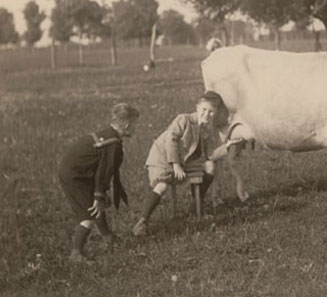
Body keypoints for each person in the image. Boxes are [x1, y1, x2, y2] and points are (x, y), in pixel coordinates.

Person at [132, 91, 240, 236]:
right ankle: (142, 222)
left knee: (210, 166)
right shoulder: (183, 119)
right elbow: (172, 140)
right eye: (204, 110)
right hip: (162, 158)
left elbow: (210, 155)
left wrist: (228, 146)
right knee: (162, 186)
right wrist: (175, 164)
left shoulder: (206, 130)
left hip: (183, 161)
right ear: (197, 108)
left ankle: (197, 202)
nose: (206, 114)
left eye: (211, 112)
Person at [58, 103, 140, 263]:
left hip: (78, 171)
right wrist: (98, 196)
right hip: (75, 176)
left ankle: (108, 237)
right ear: (127, 125)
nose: (136, 129)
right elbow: (104, 172)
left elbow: (99, 168)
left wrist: (100, 194)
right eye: (135, 125)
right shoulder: (113, 144)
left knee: (97, 206)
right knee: (89, 213)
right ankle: (76, 254)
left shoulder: (107, 134)